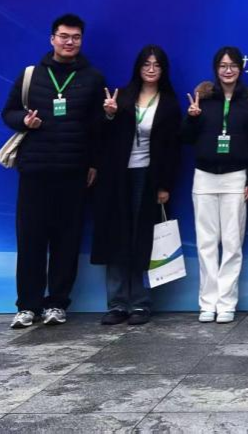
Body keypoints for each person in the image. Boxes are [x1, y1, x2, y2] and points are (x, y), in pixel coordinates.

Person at [0, 13, 107, 329]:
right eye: (64, 36)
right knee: (30, 240)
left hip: (73, 171)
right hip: (35, 170)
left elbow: (98, 128)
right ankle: (27, 306)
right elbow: (8, 113)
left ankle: (57, 303)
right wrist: (24, 121)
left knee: (67, 242)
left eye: (75, 37)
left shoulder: (93, 78)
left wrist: (94, 163)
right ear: (52, 39)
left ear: (81, 40)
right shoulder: (31, 75)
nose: (69, 42)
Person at [90, 45, 182, 326]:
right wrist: (109, 114)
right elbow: (100, 136)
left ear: (163, 70)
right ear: (138, 67)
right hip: (117, 177)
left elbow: (173, 150)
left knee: (144, 240)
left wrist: (165, 185)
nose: (151, 69)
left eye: (157, 65)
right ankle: (117, 303)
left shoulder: (169, 103)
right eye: (146, 64)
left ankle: (141, 303)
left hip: (149, 177)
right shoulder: (122, 95)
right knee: (117, 237)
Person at [185, 47, 248, 323]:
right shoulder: (203, 99)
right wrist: (192, 117)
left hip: (236, 177)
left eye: (233, 65)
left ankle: (227, 303)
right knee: (206, 243)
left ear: (241, 68)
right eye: (222, 65)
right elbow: (186, 138)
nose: (228, 70)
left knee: (232, 243)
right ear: (216, 69)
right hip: (204, 176)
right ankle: (207, 303)